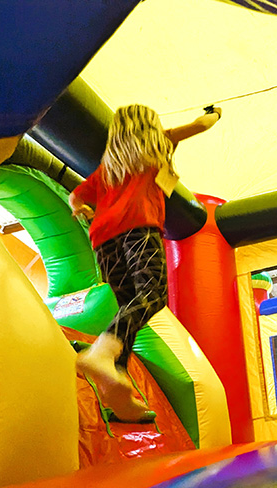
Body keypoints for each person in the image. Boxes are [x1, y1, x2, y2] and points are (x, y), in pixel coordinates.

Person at [69, 104, 221, 422]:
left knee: (130, 309)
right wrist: (215, 113)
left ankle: (117, 389)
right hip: (138, 227)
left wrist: (81, 209)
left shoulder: (108, 168)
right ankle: (102, 352)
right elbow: (201, 124)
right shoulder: (157, 144)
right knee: (152, 295)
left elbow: (77, 195)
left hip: (103, 241)